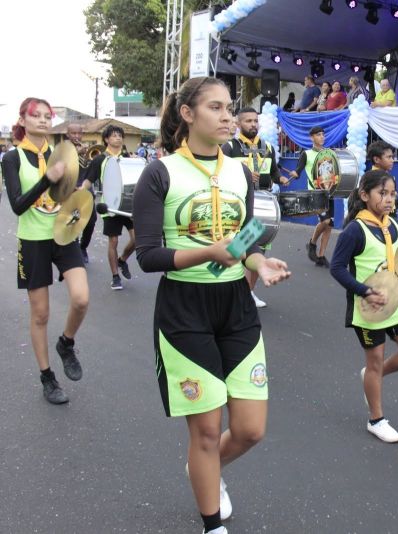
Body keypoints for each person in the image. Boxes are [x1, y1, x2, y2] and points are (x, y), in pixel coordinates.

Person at [133, 76, 290, 534]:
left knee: (249, 430)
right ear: (187, 114)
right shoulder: (160, 172)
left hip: (236, 305)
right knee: (204, 431)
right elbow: (147, 257)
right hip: (185, 307)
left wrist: (259, 261)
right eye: (216, 109)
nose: (228, 117)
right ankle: (211, 524)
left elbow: (242, 239)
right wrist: (208, 253)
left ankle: (205, 469)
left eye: (230, 109)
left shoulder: (240, 170)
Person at [2, 97, 89, 404]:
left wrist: (81, 200)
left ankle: (66, 343)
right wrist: (46, 180)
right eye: (34, 115)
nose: (41, 120)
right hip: (33, 241)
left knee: (81, 298)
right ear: (23, 121)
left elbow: (64, 198)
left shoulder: (60, 154)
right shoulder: (13, 159)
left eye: (46, 115)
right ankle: (47, 377)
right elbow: (17, 205)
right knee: (40, 314)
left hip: (63, 235)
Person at [329, 170, 398, 443]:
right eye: (382, 193)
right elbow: (336, 269)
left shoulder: (395, 225)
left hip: (395, 301)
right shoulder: (354, 231)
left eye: (392, 194)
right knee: (373, 362)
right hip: (367, 308)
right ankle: (376, 419)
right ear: (364, 195)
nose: (388, 199)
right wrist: (365, 291)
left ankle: (373, 375)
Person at [221, 107, 287, 307]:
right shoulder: (229, 147)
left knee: (259, 249)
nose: (253, 124)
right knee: (239, 248)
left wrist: (281, 178)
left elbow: (274, 172)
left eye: (255, 121)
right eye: (248, 121)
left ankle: (248, 292)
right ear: (239, 124)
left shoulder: (267, 147)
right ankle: (231, 291)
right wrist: (244, 176)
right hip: (238, 205)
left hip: (263, 204)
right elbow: (220, 175)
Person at [80, 124, 136, 290]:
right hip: (110, 207)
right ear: (106, 139)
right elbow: (88, 180)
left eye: (120, 135)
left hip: (128, 205)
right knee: (113, 241)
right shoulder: (99, 159)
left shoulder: (128, 158)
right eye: (113, 135)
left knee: (137, 239)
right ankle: (115, 276)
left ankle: (122, 260)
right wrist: (80, 194)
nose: (118, 137)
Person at [288, 126, 334, 266]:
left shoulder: (329, 153)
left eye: (323, 134)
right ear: (312, 137)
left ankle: (321, 256)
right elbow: (298, 171)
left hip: (329, 192)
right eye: (318, 135)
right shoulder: (306, 154)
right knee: (325, 222)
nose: (322, 137)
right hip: (316, 193)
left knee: (330, 225)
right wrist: (295, 174)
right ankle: (312, 243)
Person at [66, 122, 97, 264]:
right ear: (68, 134)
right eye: (73, 133)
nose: (77, 136)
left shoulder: (86, 149)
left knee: (91, 222)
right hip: (70, 191)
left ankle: (83, 247)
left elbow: (91, 171)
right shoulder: (63, 150)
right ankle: (75, 247)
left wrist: (92, 158)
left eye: (79, 133)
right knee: (74, 221)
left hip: (86, 190)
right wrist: (75, 154)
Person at [367, 140, 398, 211]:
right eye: (389, 157)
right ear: (376, 159)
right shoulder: (371, 179)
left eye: (392, 157)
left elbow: (391, 203)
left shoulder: (388, 177)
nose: (392, 160)